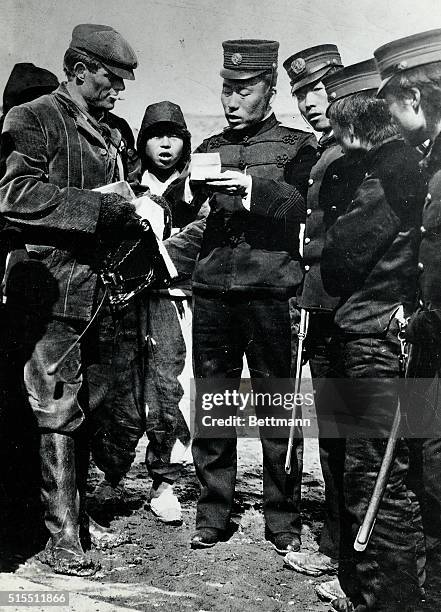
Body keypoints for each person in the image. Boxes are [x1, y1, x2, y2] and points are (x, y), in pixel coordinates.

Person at [0, 23, 145, 576]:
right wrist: (98, 207)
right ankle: (62, 540)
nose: (120, 89)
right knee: (55, 410)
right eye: (113, 77)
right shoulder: (33, 117)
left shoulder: (109, 129)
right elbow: (12, 195)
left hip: (100, 291)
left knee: (84, 408)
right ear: (79, 69)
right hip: (50, 288)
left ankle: (75, 521)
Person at [183, 39, 317, 552]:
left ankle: (282, 517)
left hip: (271, 291)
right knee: (214, 403)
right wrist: (185, 190)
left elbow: (305, 206)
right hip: (214, 289)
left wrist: (251, 190)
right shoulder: (210, 143)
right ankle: (213, 511)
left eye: (243, 89)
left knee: (275, 407)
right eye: (226, 89)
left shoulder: (297, 145)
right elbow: (179, 208)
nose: (231, 100)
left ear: (270, 89)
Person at [319, 59, 426, 612]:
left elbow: (339, 258)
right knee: (392, 470)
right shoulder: (412, 163)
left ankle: (385, 600)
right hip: (391, 330)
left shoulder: (388, 172)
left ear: (355, 128)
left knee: (376, 476)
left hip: (373, 332)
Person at [91, 101, 201, 525]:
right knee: (121, 389)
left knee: (167, 389)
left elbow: (201, 233)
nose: (166, 144)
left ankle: (164, 481)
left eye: (174, 135)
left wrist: (154, 259)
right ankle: (113, 473)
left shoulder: (195, 189)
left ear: (185, 142)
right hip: (125, 303)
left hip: (171, 300)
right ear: (143, 143)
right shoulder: (125, 188)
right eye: (156, 135)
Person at [281, 45, 362, 603]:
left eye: (319, 90)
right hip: (325, 313)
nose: (311, 103)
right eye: (302, 94)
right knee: (333, 434)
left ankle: (361, 552)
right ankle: (339, 544)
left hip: (358, 315)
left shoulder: (361, 152)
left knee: (363, 438)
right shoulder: (318, 153)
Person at [375, 28, 441, 611]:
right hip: (429, 336)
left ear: (415, 100)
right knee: (429, 464)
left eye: (392, 106)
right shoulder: (431, 161)